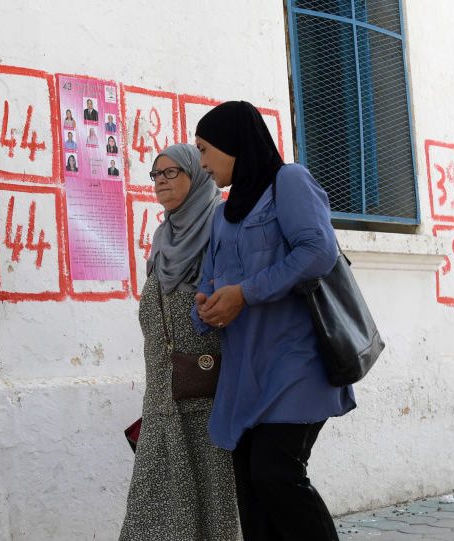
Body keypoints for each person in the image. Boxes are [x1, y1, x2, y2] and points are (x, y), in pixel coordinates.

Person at [191, 101, 355, 541]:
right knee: (252, 492)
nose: (202, 162)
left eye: (206, 149)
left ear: (233, 145)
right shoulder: (223, 214)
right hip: (245, 374)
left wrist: (246, 293)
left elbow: (318, 251)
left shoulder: (289, 181)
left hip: (296, 362)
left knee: (275, 473)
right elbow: (208, 278)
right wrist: (205, 307)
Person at [120, 143, 239, 540]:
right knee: (151, 515)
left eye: (172, 173)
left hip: (206, 399)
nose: (160, 183)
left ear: (198, 175)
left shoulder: (219, 230)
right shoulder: (162, 239)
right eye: (156, 174)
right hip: (162, 403)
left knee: (211, 509)